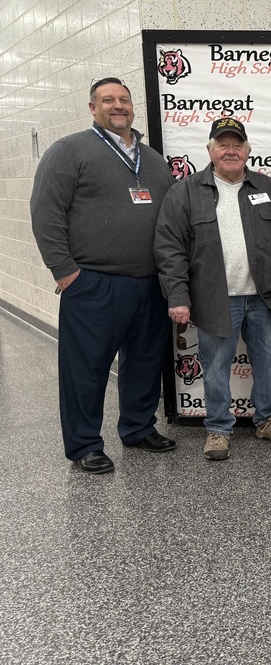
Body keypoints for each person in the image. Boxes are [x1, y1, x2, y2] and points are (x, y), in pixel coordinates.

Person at [30, 77, 176, 474]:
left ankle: (138, 427)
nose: (118, 106)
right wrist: (65, 273)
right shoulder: (69, 151)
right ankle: (84, 444)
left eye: (124, 100)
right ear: (92, 108)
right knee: (87, 369)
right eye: (107, 100)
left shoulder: (153, 158)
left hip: (150, 284)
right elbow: (46, 213)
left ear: (133, 107)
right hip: (93, 283)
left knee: (145, 364)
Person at [154, 118, 271, 461]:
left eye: (237, 145)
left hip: (265, 297)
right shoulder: (185, 192)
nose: (230, 151)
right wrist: (178, 295)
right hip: (214, 298)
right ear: (210, 151)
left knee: (268, 360)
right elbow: (169, 247)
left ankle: (268, 419)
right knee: (216, 365)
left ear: (248, 151)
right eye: (222, 145)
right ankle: (219, 428)